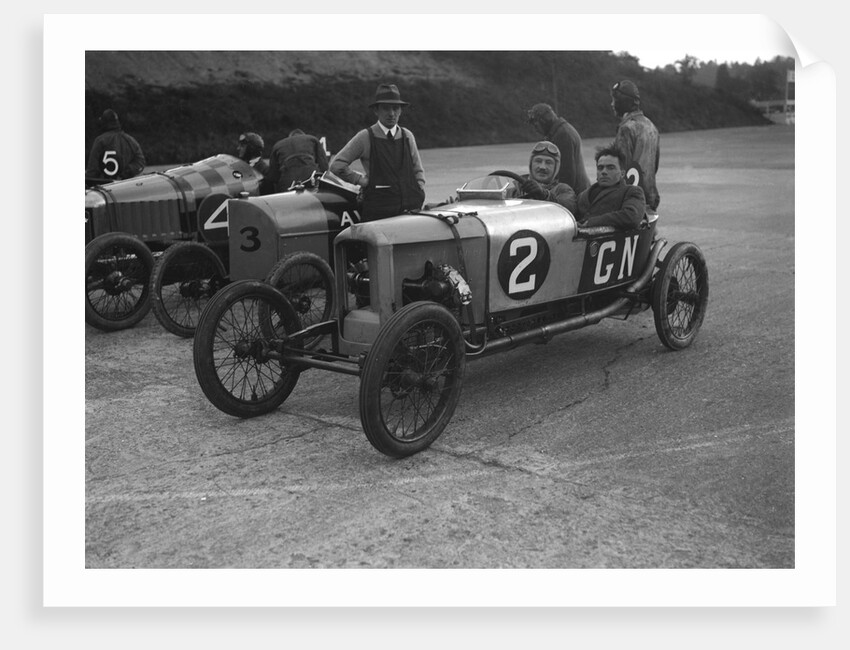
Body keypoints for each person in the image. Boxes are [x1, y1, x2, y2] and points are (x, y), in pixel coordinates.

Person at [330, 83, 426, 221]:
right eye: (386, 108)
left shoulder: (407, 136)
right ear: (376, 110)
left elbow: (418, 169)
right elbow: (337, 165)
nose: (391, 113)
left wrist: (419, 188)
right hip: (378, 213)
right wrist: (360, 180)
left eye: (395, 108)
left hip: (411, 211)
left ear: (401, 110)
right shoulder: (365, 137)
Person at [610, 79, 661, 211]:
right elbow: (654, 166)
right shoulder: (651, 126)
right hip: (650, 197)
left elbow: (622, 170)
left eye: (614, 100)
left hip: (632, 201)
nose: (612, 104)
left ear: (622, 102)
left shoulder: (626, 128)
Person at [575, 144, 646, 230]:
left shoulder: (631, 192)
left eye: (610, 168)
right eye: (600, 168)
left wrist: (592, 222)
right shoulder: (583, 195)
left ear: (622, 173)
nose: (604, 172)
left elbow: (631, 216)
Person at [526, 103, 590, 195]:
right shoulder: (561, 131)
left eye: (536, 125)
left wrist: (561, 197)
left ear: (544, 121)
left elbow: (566, 175)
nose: (536, 130)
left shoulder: (563, 135)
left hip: (574, 194)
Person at [86, 109, 146, 183]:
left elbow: (92, 171)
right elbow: (140, 162)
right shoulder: (130, 140)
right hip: (126, 186)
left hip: (104, 187)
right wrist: (125, 173)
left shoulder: (100, 141)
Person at [518, 141, 577, 212]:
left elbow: (567, 210)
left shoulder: (563, 190)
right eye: (538, 161)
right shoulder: (515, 189)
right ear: (531, 164)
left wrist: (544, 195)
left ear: (556, 168)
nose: (542, 167)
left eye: (549, 162)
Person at [267, 128, 329, 192]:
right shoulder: (312, 139)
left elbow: (273, 176)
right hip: (310, 176)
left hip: (287, 180)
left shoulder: (277, 145)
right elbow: (324, 167)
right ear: (303, 135)